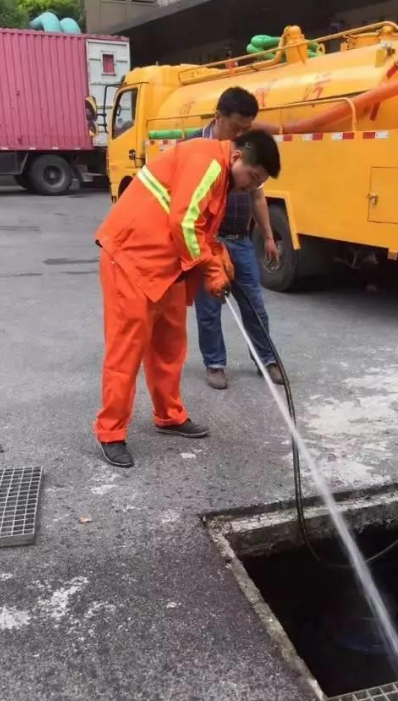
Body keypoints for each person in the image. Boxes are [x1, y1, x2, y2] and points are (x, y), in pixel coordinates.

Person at [94, 130, 281, 468]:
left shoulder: (222, 176)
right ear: (238, 157)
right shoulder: (208, 162)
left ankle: (169, 415)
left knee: (169, 346)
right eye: (252, 177)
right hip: (132, 259)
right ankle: (111, 433)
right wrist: (212, 269)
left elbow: (200, 229)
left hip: (166, 266)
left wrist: (218, 254)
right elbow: (185, 222)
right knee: (127, 351)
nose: (250, 187)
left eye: (258, 184)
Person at [189, 87, 283, 390]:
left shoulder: (244, 148)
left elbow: (257, 195)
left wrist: (268, 236)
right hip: (209, 240)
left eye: (246, 129)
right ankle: (215, 364)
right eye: (236, 127)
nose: (240, 134)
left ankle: (266, 359)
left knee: (254, 304)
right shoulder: (194, 146)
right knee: (209, 306)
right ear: (219, 116)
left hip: (240, 240)